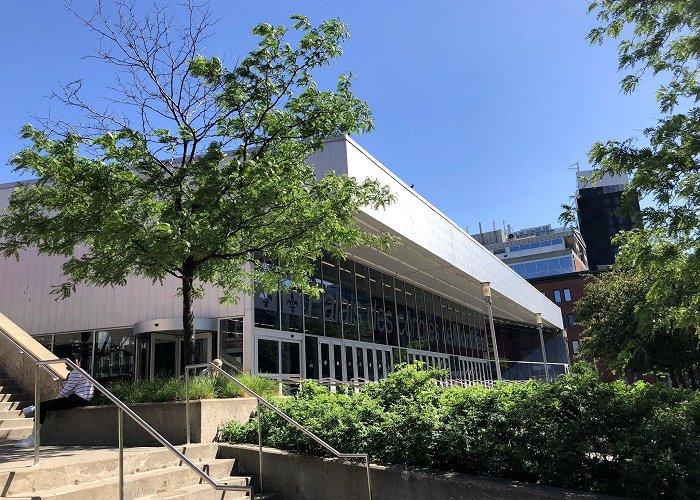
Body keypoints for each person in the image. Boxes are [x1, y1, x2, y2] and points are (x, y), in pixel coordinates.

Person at [14, 358, 94, 448]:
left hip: (78, 398)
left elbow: (65, 392)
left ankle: (33, 436)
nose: (73, 364)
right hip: (81, 398)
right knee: (44, 407)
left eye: (74, 362)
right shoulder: (80, 372)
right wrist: (66, 381)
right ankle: (33, 435)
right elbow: (70, 389)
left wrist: (55, 402)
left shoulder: (75, 373)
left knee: (43, 407)